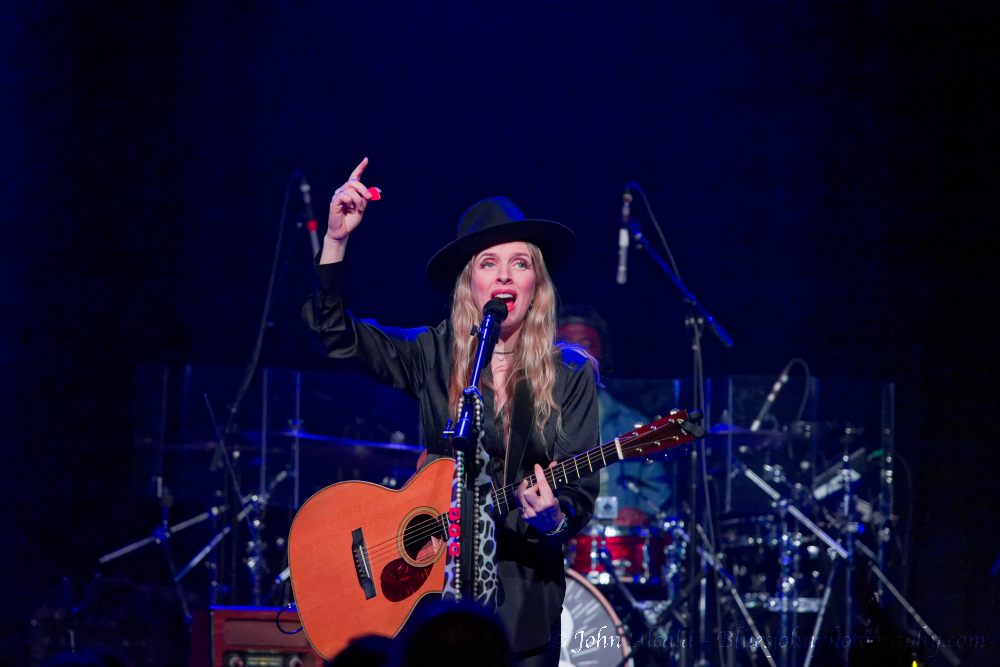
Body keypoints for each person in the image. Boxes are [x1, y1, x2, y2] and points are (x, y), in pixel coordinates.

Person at [302, 158, 601, 667]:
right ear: (470, 284)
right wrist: (335, 242)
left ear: (536, 285)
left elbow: (577, 493)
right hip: (429, 598)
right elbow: (336, 336)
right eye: (488, 263)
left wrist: (555, 518)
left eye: (520, 263)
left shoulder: (571, 373)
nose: (504, 275)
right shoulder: (431, 353)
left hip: (523, 601)